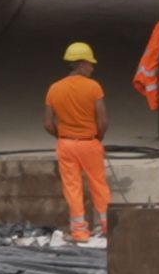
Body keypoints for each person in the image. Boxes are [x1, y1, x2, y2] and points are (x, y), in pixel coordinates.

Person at [45, 41, 112, 243]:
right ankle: (108, 226)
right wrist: (98, 137)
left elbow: (47, 123)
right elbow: (103, 120)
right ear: (81, 64)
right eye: (90, 64)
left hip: (66, 145)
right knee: (98, 185)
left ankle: (80, 232)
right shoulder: (93, 87)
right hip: (89, 143)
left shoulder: (54, 89)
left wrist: (63, 136)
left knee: (72, 187)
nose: (92, 68)